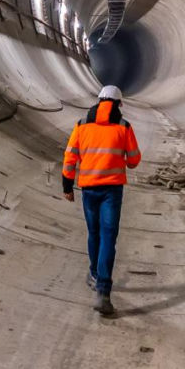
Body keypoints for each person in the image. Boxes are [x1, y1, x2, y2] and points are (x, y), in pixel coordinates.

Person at [61, 84, 141, 316]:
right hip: (111, 192)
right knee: (108, 237)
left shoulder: (82, 126)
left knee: (93, 233)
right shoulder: (123, 127)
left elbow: (69, 157)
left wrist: (67, 185)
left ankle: (94, 273)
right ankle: (103, 291)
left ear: (98, 102)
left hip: (88, 189)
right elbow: (134, 159)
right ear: (118, 104)